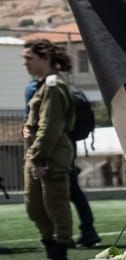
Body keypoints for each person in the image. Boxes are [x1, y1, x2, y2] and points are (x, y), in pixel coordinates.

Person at [20, 39, 77, 260]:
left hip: (49, 156)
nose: (26, 64)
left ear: (45, 58)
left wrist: (39, 158)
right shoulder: (43, 85)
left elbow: (50, 126)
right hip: (38, 155)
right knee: (35, 207)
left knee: (54, 206)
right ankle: (52, 256)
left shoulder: (53, 86)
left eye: (29, 58)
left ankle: (58, 259)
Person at [24, 76, 99, 248]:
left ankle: (64, 238)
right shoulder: (56, 85)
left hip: (56, 145)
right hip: (65, 142)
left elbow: (43, 121)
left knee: (66, 191)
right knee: (72, 190)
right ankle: (86, 230)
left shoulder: (42, 87)